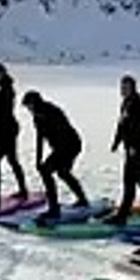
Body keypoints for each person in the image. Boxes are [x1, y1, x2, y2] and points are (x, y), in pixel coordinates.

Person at [21, 90, 89, 226]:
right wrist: (38, 159)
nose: (28, 109)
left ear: (34, 103)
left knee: (50, 171)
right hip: (60, 148)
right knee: (61, 172)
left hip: (71, 144)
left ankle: (54, 209)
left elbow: (63, 134)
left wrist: (54, 161)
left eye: (29, 106)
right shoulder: (37, 116)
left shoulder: (52, 111)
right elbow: (40, 138)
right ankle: (81, 200)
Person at [100, 76, 140, 225]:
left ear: (133, 88)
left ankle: (126, 215)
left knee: (136, 180)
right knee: (134, 181)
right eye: (122, 87)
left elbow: (137, 128)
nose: (123, 90)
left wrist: (132, 146)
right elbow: (122, 125)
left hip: (138, 147)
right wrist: (116, 142)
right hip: (130, 148)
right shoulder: (126, 103)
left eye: (126, 87)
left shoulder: (138, 105)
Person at [0, 63, 28, 209]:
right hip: (8, 128)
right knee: (12, 160)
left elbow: (5, 115)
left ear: (2, 73)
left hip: (7, 129)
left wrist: (0, 134)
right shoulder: (6, 88)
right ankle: (23, 191)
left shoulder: (5, 90)